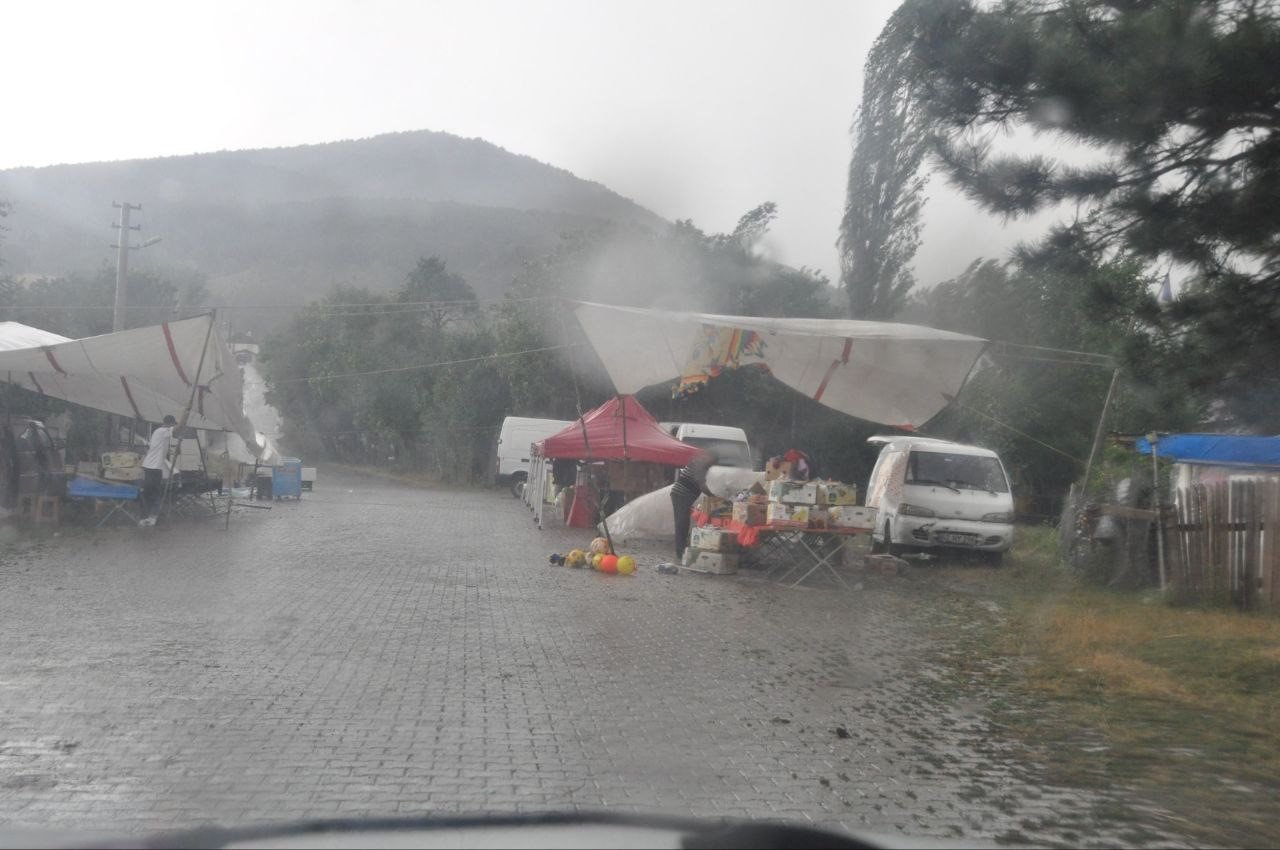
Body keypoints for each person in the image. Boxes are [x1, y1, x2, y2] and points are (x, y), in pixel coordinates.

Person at [670, 449, 719, 561]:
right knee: (682, 523)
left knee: (683, 523)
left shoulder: (701, 464)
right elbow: (701, 485)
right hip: (681, 495)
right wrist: (713, 497)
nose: (712, 465)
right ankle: (680, 552)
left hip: (683, 496)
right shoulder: (700, 465)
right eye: (713, 462)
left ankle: (681, 549)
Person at [140, 415, 177, 526]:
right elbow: (178, 428)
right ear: (170, 423)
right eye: (173, 424)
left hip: (150, 467)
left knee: (149, 492)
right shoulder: (162, 431)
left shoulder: (158, 432)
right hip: (153, 468)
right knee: (155, 493)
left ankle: (148, 516)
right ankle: (152, 517)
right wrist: (186, 413)